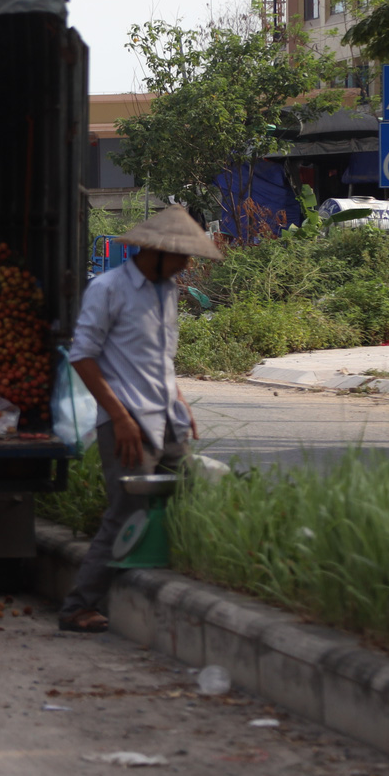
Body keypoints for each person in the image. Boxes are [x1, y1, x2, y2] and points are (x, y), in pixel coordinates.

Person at [58, 205, 222, 634]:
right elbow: (83, 357)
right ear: (157, 251)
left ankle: (167, 580)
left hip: (167, 417)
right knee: (126, 509)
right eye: (183, 257)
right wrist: (120, 418)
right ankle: (79, 605)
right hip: (125, 421)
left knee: (184, 495)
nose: (188, 265)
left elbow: (162, 361)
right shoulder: (108, 289)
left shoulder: (167, 291)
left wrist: (182, 404)